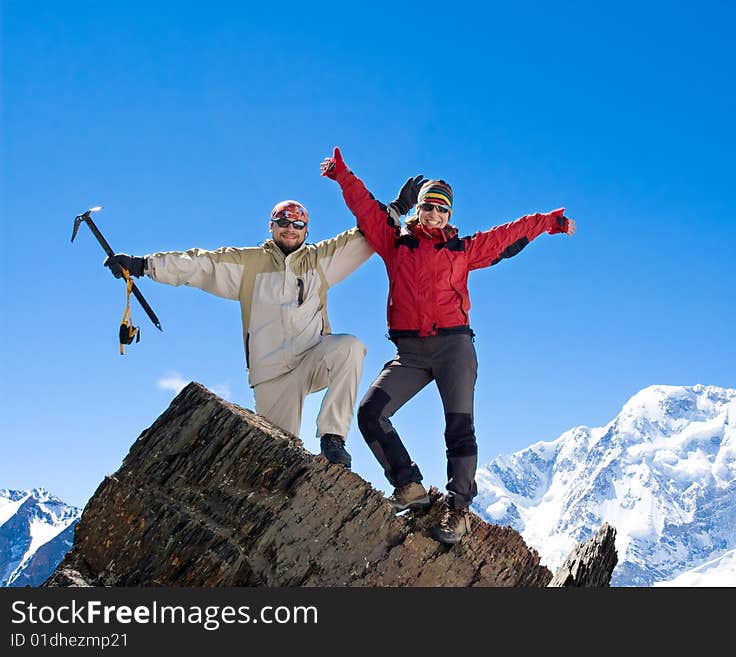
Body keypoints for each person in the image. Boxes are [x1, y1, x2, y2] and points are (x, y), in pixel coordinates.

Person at [321, 147, 576, 544]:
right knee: (371, 413)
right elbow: (366, 208)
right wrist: (341, 173)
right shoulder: (395, 244)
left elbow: (508, 235)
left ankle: (458, 511)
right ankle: (409, 486)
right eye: (428, 208)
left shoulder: (462, 250)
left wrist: (548, 223)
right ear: (419, 210)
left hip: (454, 348)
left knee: (458, 428)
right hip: (410, 353)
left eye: (442, 210)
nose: (435, 215)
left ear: (450, 215)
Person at [103, 192, 412, 468]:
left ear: (307, 229)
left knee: (350, 347)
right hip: (271, 375)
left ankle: (332, 440)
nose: (290, 228)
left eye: (298, 224)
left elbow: (361, 238)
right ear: (271, 226)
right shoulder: (248, 264)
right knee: (280, 457)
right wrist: (143, 265)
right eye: (283, 221)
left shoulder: (320, 261)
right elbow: (199, 265)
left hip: (311, 359)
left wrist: (396, 210)